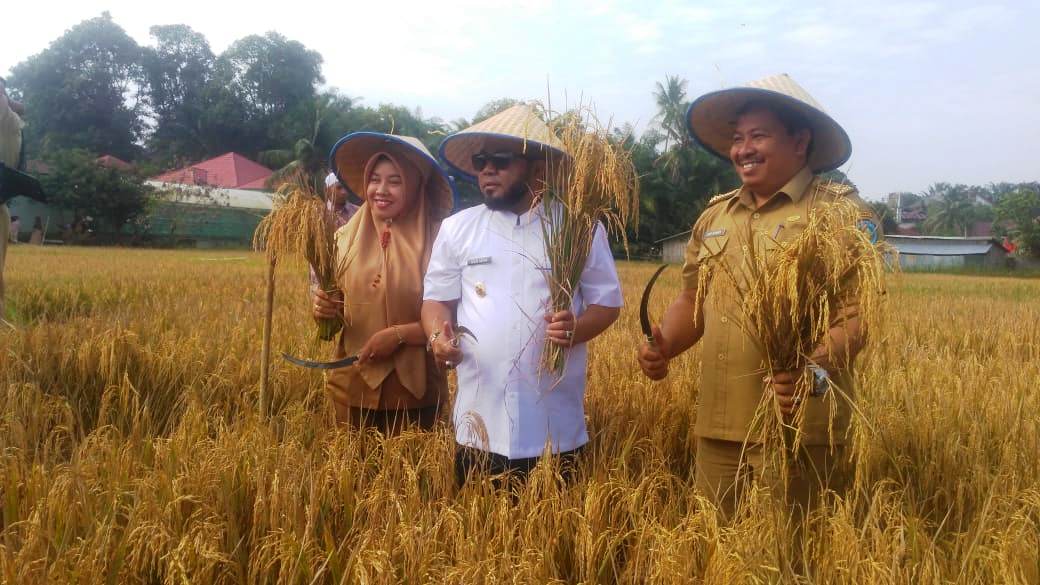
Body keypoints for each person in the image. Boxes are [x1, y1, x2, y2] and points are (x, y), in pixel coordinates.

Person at [637, 74, 878, 519]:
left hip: (798, 424)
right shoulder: (715, 216)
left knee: (789, 556)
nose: (743, 149)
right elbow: (693, 300)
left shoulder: (839, 214)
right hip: (720, 425)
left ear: (800, 141)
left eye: (758, 136)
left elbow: (857, 318)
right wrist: (665, 345)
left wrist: (812, 369)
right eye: (737, 138)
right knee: (717, 547)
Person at [422, 104, 623, 487]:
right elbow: (435, 300)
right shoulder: (457, 230)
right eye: (481, 161)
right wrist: (436, 337)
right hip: (478, 423)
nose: (487, 170)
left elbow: (607, 303)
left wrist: (576, 328)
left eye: (500, 160)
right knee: (478, 535)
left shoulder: (579, 228)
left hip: (554, 424)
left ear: (538, 168)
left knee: (552, 539)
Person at [311, 133, 455, 434]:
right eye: (374, 179)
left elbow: (453, 318)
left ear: (415, 185)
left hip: (417, 395)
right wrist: (323, 311)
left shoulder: (442, 241)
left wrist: (399, 335)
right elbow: (333, 321)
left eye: (395, 181)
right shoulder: (340, 240)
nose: (381, 190)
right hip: (351, 388)